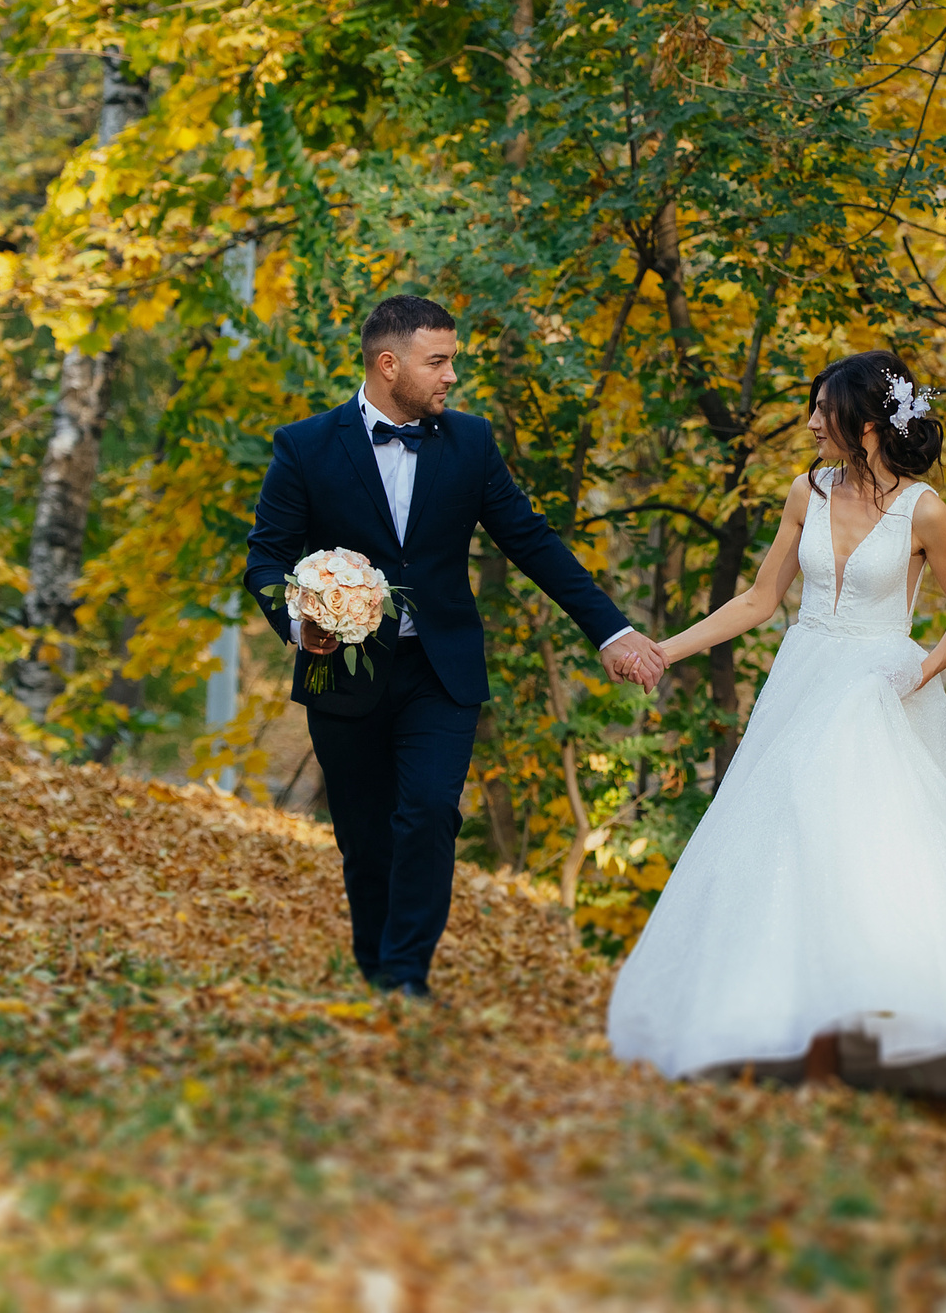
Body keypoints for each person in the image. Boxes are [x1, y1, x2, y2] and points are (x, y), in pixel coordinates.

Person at [607, 350, 946, 1106]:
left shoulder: (926, 510)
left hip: (883, 690)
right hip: (805, 680)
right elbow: (759, 600)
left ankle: (908, 1040)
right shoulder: (804, 491)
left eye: (824, 410)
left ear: (870, 425)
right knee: (788, 845)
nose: (812, 422)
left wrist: (917, 672)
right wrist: (662, 649)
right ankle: (808, 1054)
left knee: (884, 858)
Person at [245, 296, 663, 998]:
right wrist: (299, 620)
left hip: (440, 671)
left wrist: (611, 631)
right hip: (342, 673)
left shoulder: (470, 443)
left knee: (431, 811)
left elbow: (530, 540)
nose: (450, 377)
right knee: (366, 836)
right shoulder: (306, 446)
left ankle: (407, 975)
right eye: (438, 361)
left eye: (453, 361)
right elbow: (266, 557)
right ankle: (377, 966)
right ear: (389, 364)